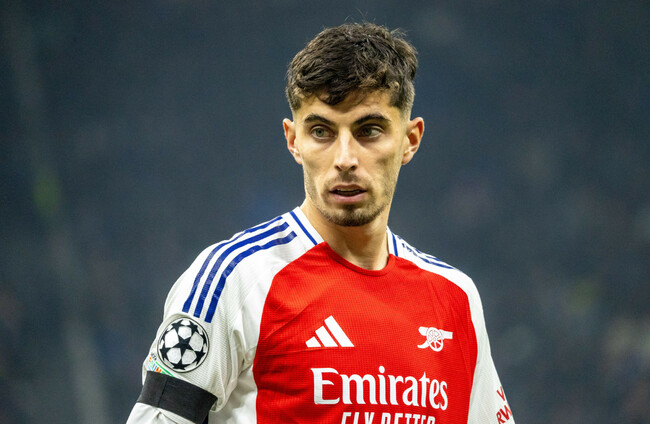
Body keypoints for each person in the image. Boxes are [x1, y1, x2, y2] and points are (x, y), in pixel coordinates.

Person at [126, 22, 514, 424]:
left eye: (369, 130)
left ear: (409, 139)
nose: (345, 159)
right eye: (321, 131)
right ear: (294, 140)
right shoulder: (233, 279)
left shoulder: (456, 300)